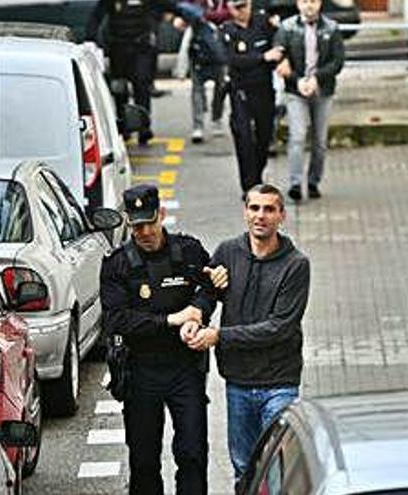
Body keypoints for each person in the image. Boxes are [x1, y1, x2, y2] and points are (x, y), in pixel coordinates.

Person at [100, 184, 228, 494]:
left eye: (149, 221)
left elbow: (211, 286)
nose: (144, 231)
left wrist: (197, 311)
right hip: (141, 371)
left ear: (162, 215)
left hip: (185, 369)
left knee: (192, 454)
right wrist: (170, 320)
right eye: (136, 225)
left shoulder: (188, 251)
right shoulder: (117, 264)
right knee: (144, 461)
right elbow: (116, 320)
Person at [182, 183, 310, 490]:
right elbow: (206, 293)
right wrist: (196, 316)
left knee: (276, 471)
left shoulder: (296, 265)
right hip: (238, 381)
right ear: (245, 212)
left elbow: (279, 327)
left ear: (282, 215)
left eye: (269, 209)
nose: (260, 216)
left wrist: (218, 336)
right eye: (254, 208)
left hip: (279, 382)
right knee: (244, 466)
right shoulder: (228, 252)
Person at [86, 0, 186, 146]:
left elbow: (170, 6)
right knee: (120, 89)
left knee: (141, 86)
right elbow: (96, 16)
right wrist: (91, 39)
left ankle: (144, 127)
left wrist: (190, 16)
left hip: (141, 48)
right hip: (118, 47)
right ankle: (125, 125)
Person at [273, 0, 345, 201]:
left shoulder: (331, 28)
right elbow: (279, 56)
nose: (309, 6)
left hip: (322, 90)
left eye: (313, 1)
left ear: (320, 4)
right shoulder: (287, 28)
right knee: (297, 136)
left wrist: (316, 78)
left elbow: (338, 61)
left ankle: (313, 181)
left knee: (320, 140)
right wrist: (297, 80)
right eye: (304, 1)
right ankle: (295, 183)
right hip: (295, 90)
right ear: (297, 4)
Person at [220, 0, 280, 196]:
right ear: (229, 8)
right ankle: (249, 186)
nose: (242, 11)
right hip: (240, 92)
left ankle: (257, 177)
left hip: (263, 89)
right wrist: (261, 58)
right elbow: (233, 60)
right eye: (237, 7)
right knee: (244, 138)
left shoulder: (263, 24)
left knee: (264, 137)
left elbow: (278, 48)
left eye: (244, 5)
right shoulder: (227, 31)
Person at [187, 0, 230, 143]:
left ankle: (216, 117)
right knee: (197, 89)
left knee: (221, 87)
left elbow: (230, 11)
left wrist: (206, 15)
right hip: (199, 49)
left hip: (219, 49)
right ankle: (197, 126)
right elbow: (188, 11)